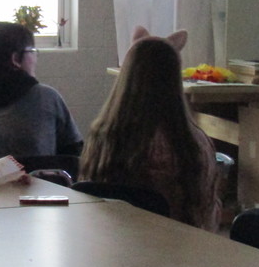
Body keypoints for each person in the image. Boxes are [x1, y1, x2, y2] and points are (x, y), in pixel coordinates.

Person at [79, 34, 221, 231]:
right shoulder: (193, 143)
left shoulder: (101, 138)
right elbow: (206, 215)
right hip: (179, 252)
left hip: (111, 249)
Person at [0, 22, 83, 162]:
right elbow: (73, 156)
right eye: (31, 51)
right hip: (38, 183)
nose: (35, 59)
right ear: (16, 59)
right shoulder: (47, 98)